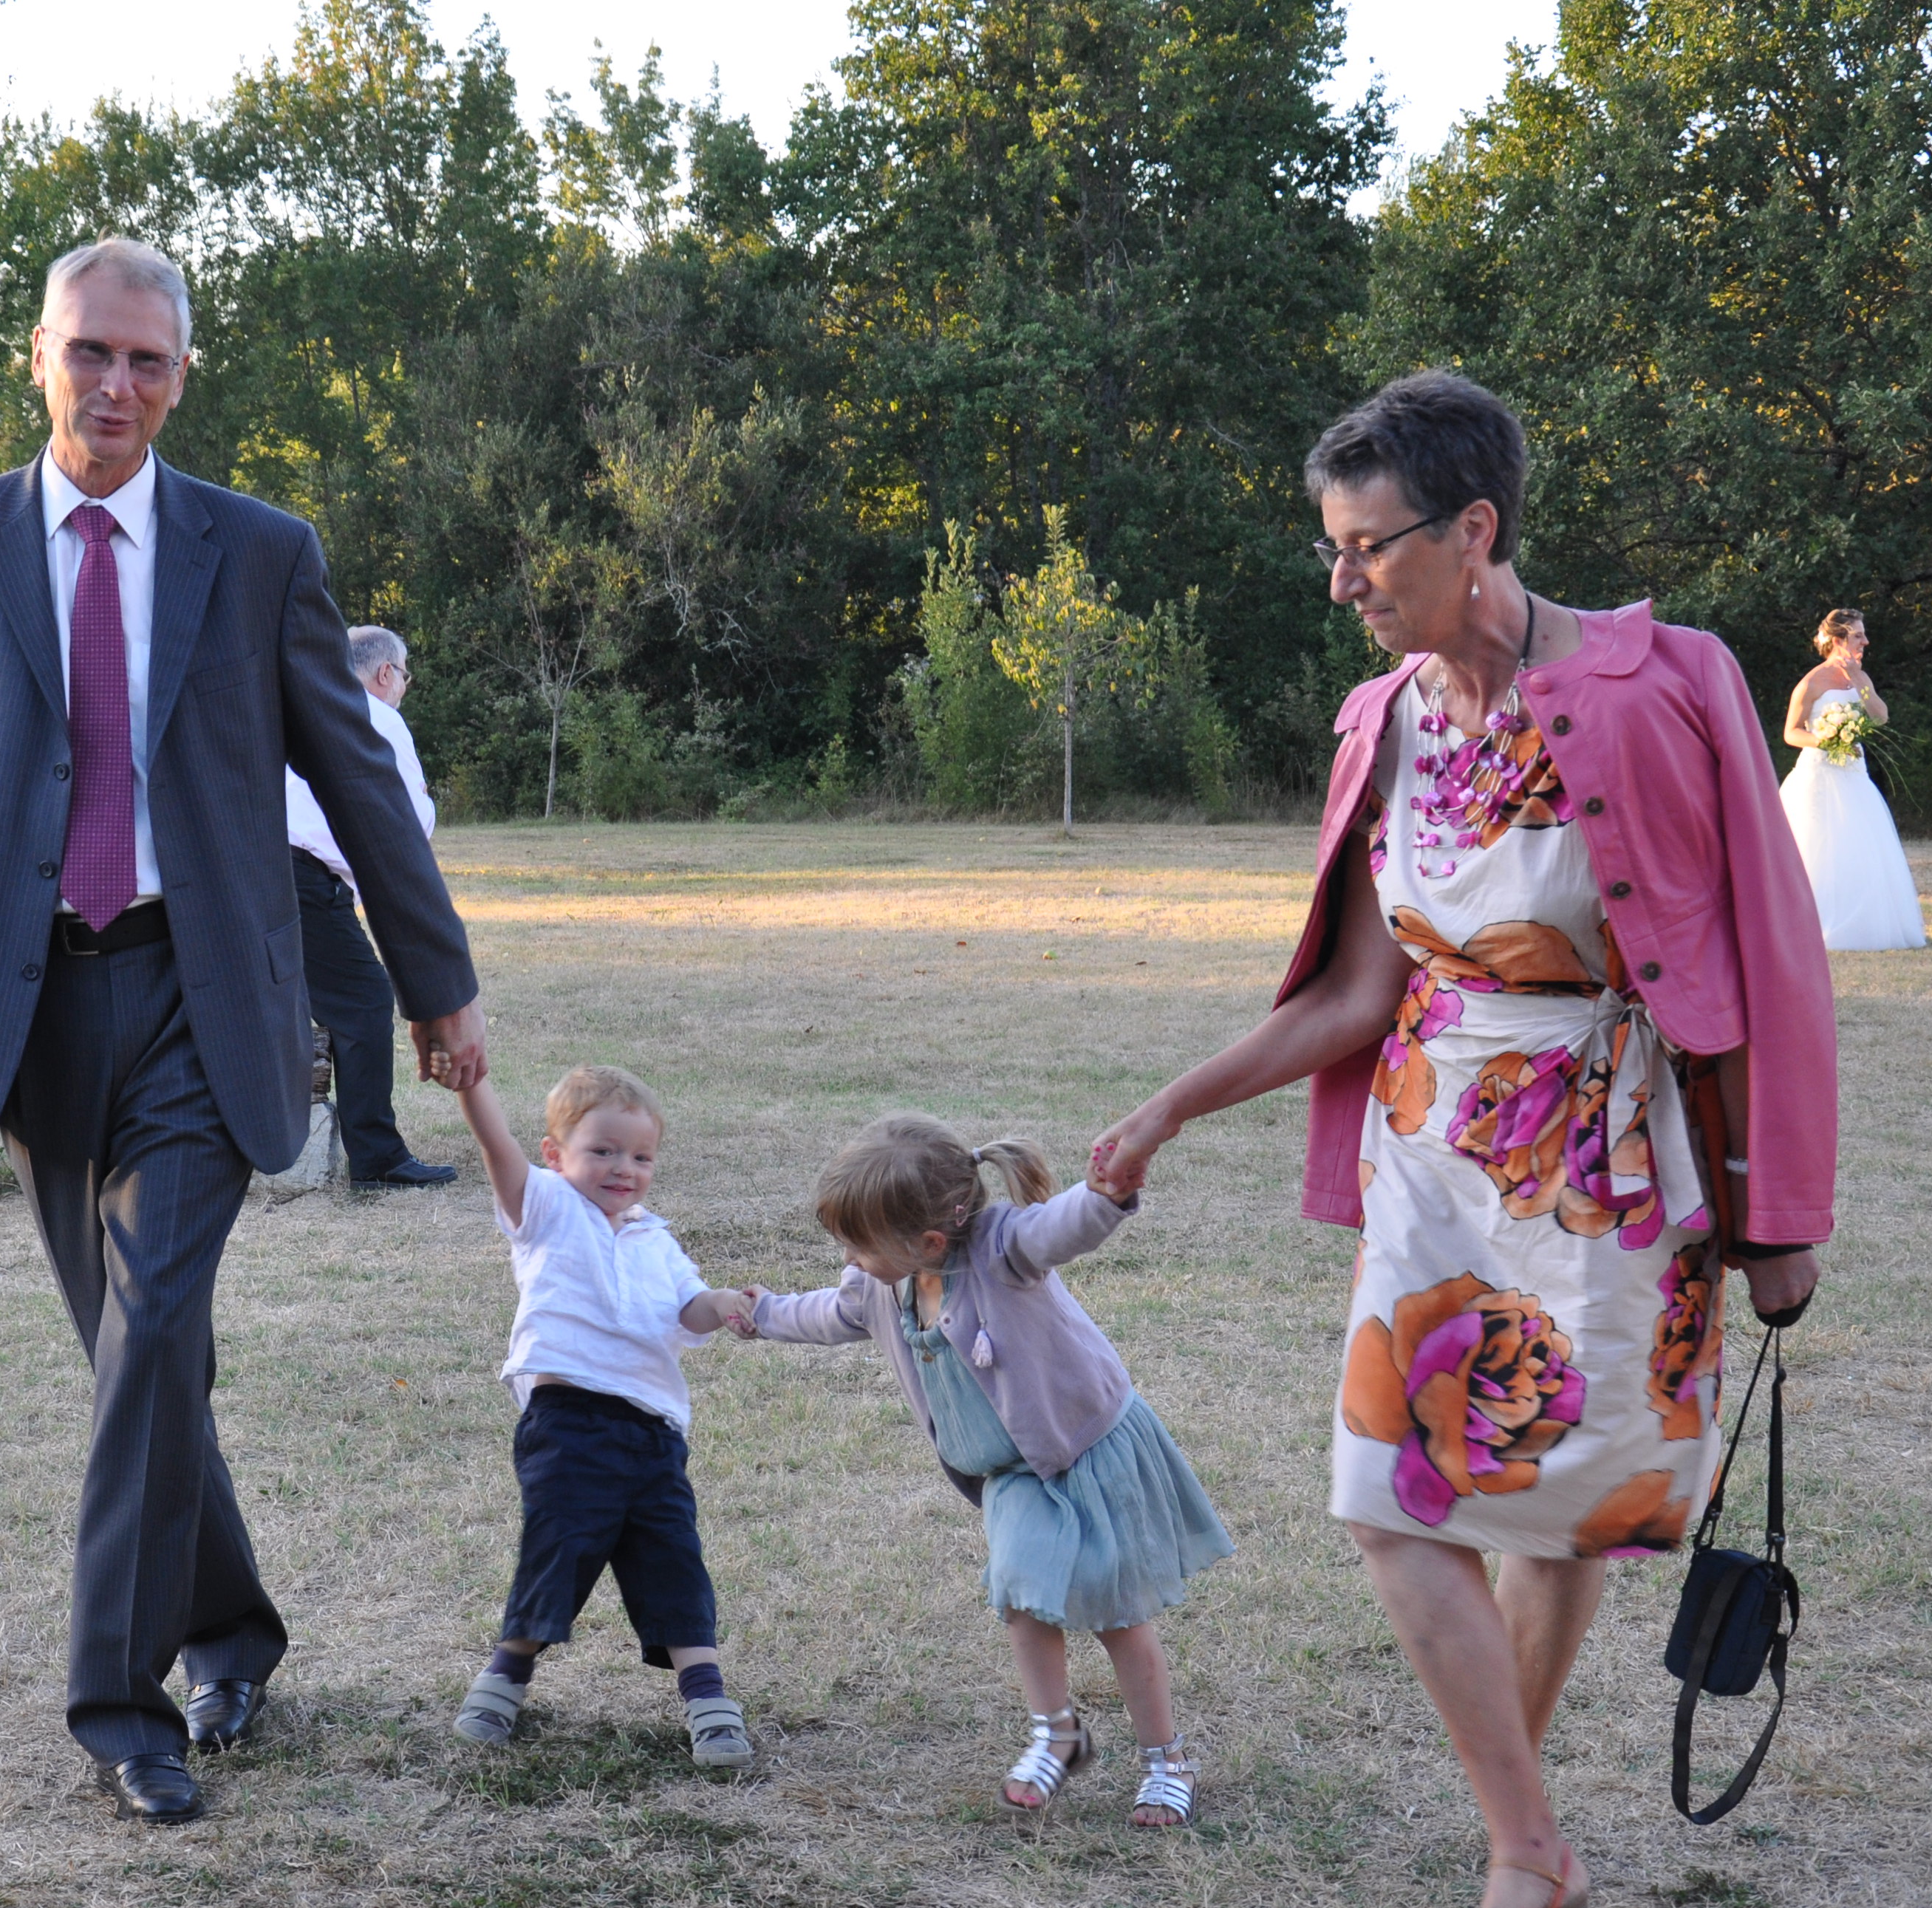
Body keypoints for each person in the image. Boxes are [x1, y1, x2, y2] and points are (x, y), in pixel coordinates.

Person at [1090, 370, 1833, 1908]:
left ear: (1472, 529)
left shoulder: (1670, 679)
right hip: (1431, 1147)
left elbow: (1770, 952)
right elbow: (1354, 992)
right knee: (1388, 1496)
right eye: (1331, 548)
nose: (1340, 581)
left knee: (1560, 1508)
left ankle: (1514, 1847)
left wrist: (1776, 1212)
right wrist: (1169, 1105)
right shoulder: (1386, 722)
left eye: (1366, 547)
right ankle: (1530, 1837)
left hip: (1614, 1152)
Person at [0, 238, 487, 1830]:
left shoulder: (260, 552)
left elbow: (358, 781)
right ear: (38, 355)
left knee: (153, 1324)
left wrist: (436, 981)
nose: (115, 385)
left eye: (146, 361)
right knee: (135, 1357)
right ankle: (232, 1632)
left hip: (204, 990)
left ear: (179, 378)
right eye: (90, 352)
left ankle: (121, 1703)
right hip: (33, 1006)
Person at [744, 1115, 1229, 1824]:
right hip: (1011, 1475)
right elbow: (828, 1313)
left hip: (1086, 1451)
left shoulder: (1002, 1251)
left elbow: (1060, 1228)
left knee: (1118, 1615)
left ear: (929, 1243)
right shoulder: (881, 1285)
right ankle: (1058, 1735)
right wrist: (762, 1314)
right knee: (1021, 1597)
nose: (847, 1257)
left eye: (858, 1243)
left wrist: (1106, 1193)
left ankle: (1167, 1760)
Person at [446, 1064, 762, 1771]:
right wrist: (471, 1083)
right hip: (568, 1421)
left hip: (654, 1431)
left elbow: (689, 1308)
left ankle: (708, 1699)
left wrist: (722, 1304)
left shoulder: (656, 1239)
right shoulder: (545, 1207)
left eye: (641, 1156)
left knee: (674, 1558)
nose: (625, 1169)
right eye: (603, 1151)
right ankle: (505, 1675)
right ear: (555, 1154)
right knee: (561, 1547)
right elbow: (496, 1146)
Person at [287, 626, 459, 1186]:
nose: (403, 686)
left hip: (266, 869)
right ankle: (377, 1158)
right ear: (386, 673)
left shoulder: (302, 710)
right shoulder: (378, 717)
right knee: (363, 998)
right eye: (405, 675)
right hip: (304, 876)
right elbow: (406, 821)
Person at [1780, 609, 1928, 951]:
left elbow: (1880, 717)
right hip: (1819, 773)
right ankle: (1808, 925)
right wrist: (1827, 740)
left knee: (1860, 847)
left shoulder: (1860, 677)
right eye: (1858, 635)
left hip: (1854, 775)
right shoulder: (1812, 682)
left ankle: (1863, 924)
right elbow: (1791, 733)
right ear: (1838, 640)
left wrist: (1859, 681)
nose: (1865, 641)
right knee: (1817, 847)